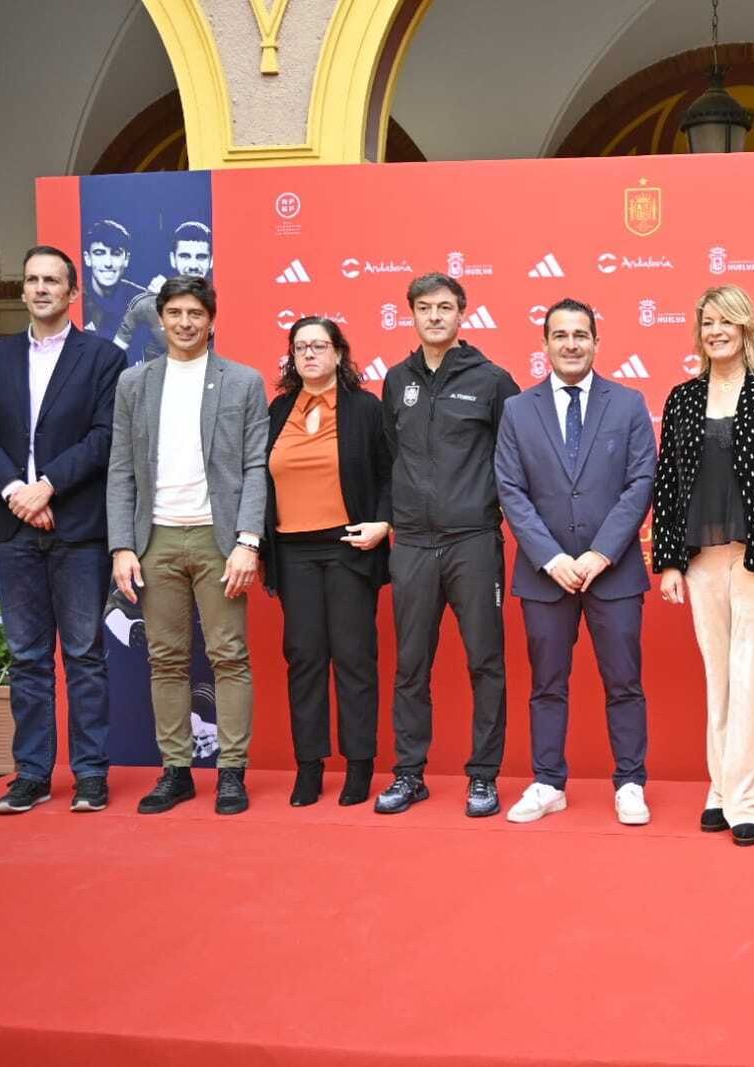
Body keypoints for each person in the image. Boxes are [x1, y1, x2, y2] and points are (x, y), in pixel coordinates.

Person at [651, 284, 754, 846]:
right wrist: (668, 562)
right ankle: (720, 790)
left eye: (726, 321)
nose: (716, 331)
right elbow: (668, 484)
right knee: (718, 678)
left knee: (751, 678)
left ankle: (750, 800)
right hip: (700, 559)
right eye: (707, 323)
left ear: (746, 326)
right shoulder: (682, 397)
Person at [0, 245, 125, 814]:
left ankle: (90, 774)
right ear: (23, 290)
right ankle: (31, 772)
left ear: (72, 292)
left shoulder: (103, 357)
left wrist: (48, 486)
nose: (40, 288)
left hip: (78, 526)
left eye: (52, 280)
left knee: (83, 653)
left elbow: (105, 438)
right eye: (31, 280)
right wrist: (16, 492)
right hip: (12, 527)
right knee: (27, 656)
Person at [106, 275, 267, 816]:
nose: (184, 322)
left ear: (211, 319)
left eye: (195, 313)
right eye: (173, 312)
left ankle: (231, 773)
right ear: (161, 318)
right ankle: (175, 771)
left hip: (219, 540)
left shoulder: (243, 382)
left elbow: (253, 467)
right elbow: (121, 469)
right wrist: (121, 546)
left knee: (229, 656)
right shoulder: (135, 384)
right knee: (165, 660)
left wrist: (248, 541)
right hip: (155, 539)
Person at [494, 298, 657, 825]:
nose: (570, 344)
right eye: (560, 335)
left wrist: (600, 553)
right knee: (546, 684)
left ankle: (630, 783)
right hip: (546, 577)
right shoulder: (518, 410)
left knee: (624, 683)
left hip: (614, 572)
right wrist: (551, 558)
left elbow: (640, 484)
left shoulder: (628, 403)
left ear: (596, 342)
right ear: (544, 344)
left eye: (580, 335)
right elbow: (510, 490)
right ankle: (547, 782)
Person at [376, 272, 520, 816]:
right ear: (410, 315)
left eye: (444, 308)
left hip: (474, 542)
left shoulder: (492, 380)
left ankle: (483, 776)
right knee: (411, 664)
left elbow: (512, 462)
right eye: (424, 308)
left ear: (463, 314)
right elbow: (393, 460)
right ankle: (409, 774)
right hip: (412, 542)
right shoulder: (395, 380)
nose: (434, 317)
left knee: (486, 662)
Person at [262, 316, 391, 807]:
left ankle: (359, 766)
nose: (310, 354)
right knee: (304, 659)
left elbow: (389, 474)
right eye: (301, 347)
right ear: (292, 358)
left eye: (319, 345)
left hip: (348, 547)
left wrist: (383, 522)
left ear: (339, 353)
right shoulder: (278, 411)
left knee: (355, 658)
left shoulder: (365, 409)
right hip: (291, 550)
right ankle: (309, 767)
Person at [114, 221, 214, 363]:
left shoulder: (223, 305)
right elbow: (111, 357)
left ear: (211, 261)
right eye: (185, 256)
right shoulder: (147, 304)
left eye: (201, 257)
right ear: (173, 259)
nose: (193, 265)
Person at [81, 220, 146, 341]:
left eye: (116, 254)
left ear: (126, 259)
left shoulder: (142, 300)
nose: (108, 263)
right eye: (99, 253)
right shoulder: (75, 300)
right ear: (87, 258)